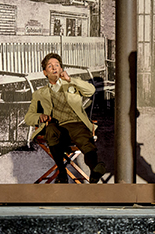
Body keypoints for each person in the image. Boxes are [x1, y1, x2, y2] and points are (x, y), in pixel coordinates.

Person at [24, 53, 106, 184]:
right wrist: (40, 116)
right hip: (56, 128)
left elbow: (91, 91)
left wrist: (70, 80)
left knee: (83, 138)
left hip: (76, 124)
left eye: (57, 65)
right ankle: (62, 172)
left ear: (61, 69)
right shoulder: (39, 93)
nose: (54, 68)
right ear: (45, 72)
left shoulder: (71, 84)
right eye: (50, 66)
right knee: (50, 130)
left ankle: (95, 169)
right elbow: (28, 117)